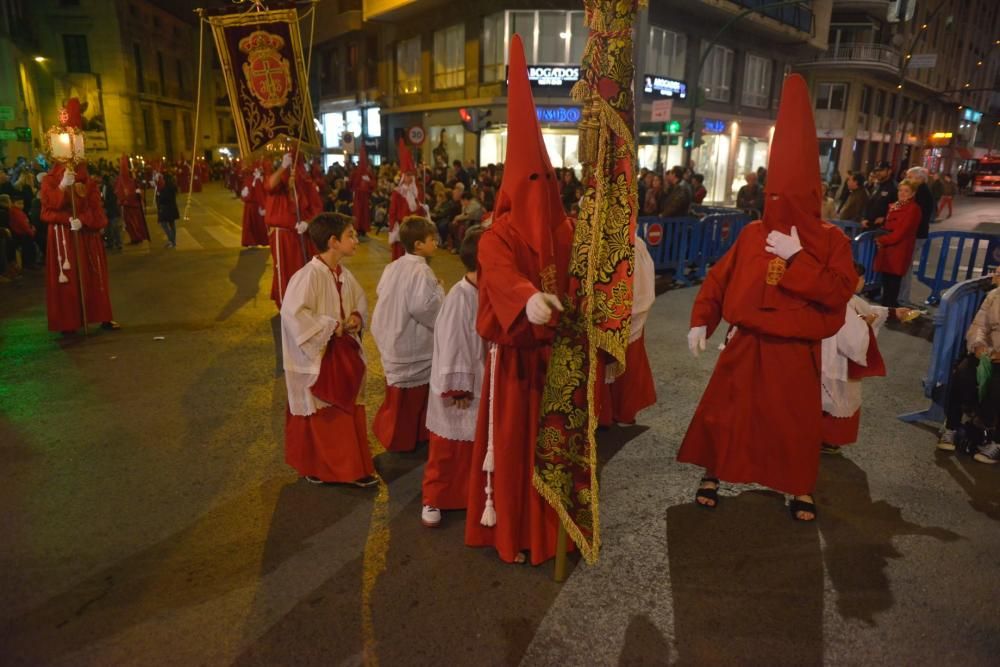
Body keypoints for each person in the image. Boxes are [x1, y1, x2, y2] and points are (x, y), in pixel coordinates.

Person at [680, 74, 856, 522]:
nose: (780, 204)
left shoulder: (832, 240)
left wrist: (798, 260)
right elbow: (721, 278)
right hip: (746, 342)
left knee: (793, 426)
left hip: (795, 351)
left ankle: (799, 485)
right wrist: (703, 318)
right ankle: (715, 471)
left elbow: (839, 293)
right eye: (773, 195)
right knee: (725, 414)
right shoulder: (754, 232)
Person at [465, 34, 575, 565]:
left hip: (557, 362)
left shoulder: (566, 230)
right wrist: (528, 299)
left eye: (548, 179)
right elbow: (500, 275)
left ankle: (552, 527)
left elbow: (584, 280)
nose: (542, 188)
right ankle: (515, 529)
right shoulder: (497, 234)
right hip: (513, 363)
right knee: (513, 450)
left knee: (554, 452)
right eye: (533, 179)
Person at [280, 212, 378, 487]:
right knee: (325, 412)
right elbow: (292, 314)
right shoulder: (307, 276)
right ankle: (325, 467)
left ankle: (352, 466)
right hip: (319, 356)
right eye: (351, 235)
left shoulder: (343, 273)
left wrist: (357, 317)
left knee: (348, 405)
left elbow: (358, 299)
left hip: (342, 352)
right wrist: (330, 326)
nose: (356, 240)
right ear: (333, 242)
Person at [421, 226, 485, 528]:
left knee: (474, 448)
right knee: (448, 451)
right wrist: (458, 387)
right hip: (461, 389)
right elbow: (452, 345)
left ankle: (469, 495)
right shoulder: (460, 298)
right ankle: (435, 497)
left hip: (482, 381)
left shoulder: (485, 291)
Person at [370, 216, 444, 453]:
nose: (437, 244)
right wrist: (440, 292)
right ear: (419, 245)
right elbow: (423, 307)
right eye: (433, 240)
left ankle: (398, 435)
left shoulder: (395, 265)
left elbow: (382, 291)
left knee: (399, 398)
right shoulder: (421, 271)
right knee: (411, 400)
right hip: (410, 341)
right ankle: (405, 439)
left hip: (392, 334)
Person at [821, 263, 910, 454]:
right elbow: (853, 337)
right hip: (838, 361)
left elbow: (869, 311)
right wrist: (865, 325)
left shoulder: (847, 298)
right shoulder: (841, 302)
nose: (862, 282)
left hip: (836, 360)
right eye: (860, 278)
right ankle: (828, 440)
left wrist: (892, 312)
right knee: (836, 399)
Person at [40, 159, 120, 333]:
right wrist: (61, 187)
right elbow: (47, 210)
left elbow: (97, 211)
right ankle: (68, 322)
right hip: (63, 239)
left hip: (87, 236)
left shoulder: (88, 183)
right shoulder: (49, 181)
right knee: (69, 279)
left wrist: (82, 220)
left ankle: (102, 315)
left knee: (93, 276)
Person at [599, 235, 657, 427]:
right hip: (606, 311)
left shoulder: (634, 244)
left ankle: (618, 411)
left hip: (624, 310)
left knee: (625, 363)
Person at [265, 152, 323, 307]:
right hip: (282, 235)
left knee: (302, 269)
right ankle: (286, 304)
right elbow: (269, 185)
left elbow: (316, 207)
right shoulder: (279, 183)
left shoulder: (306, 183)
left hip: (301, 235)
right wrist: (283, 167)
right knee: (284, 271)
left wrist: (308, 223)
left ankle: (304, 302)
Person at [874, 179, 921, 310]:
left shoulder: (913, 209)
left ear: (912, 194)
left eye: (906, 191)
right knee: (886, 280)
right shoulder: (895, 205)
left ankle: (891, 311)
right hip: (888, 247)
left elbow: (901, 233)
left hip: (899, 248)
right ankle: (886, 309)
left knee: (893, 282)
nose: (902, 193)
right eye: (900, 190)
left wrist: (882, 240)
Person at [899, 167, 934, 305]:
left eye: (910, 176)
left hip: (915, 235)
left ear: (919, 178)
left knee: (905, 266)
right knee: (905, 265)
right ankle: (901, 296)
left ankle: (902, 297)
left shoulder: (921, 194)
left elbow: (915, 218)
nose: (907, 179)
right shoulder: (922, 192)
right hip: (917, 234)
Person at [387, 141, 425, 261]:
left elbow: (421, 208)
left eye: (411, 175)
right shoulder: (397, 193)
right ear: (403, 177)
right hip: (402, 228)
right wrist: (398, 221)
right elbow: (393, 212)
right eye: (407, 175)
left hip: (415, 228)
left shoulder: (418, 190)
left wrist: (419, 213)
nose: (409, 178)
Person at [115, 156, 150, 245]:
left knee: (135, 223)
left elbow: (135, 190)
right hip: (129, 207)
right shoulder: (122, 180)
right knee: (130, 224)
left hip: (133, 206)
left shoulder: (132, 180)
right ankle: (135, 237)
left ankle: (137, 237)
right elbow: (120, 192)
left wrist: (138, 192)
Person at [239, 161, 268, 247]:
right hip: (253, 206)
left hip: (255, 206)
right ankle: (251, 241)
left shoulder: (259, 179)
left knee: (256, 225)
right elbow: (258, 193)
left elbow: (261, 193)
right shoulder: (252, 179)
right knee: (252, 225)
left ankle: (255, 241)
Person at [861, 161, 897, 229]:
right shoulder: (877, 185)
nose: (878, 173)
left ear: (889, 171)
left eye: (881, 170)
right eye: (877, 170)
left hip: (882, 227)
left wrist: (885, 218)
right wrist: (864, 217)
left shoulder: (894, 188)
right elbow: (869, 203)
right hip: (868, 224)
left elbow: (896, 208)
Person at [349, 142, 374, 237]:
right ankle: (359, 228)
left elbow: (373, 185)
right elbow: (351, 184)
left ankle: (362, 229)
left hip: (364, 196)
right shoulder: (359, 173)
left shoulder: (366, 173)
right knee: (359, 213)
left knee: (363, 213)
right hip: (359, 196)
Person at [156, 172, 180, 249]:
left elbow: (164, 199)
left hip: (167, 208)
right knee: (172, 224)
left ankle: (172, 240)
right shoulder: (172, 186)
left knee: (164, 224)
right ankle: (172, 241)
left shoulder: (167, 188)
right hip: (172, 208)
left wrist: (159, 194)